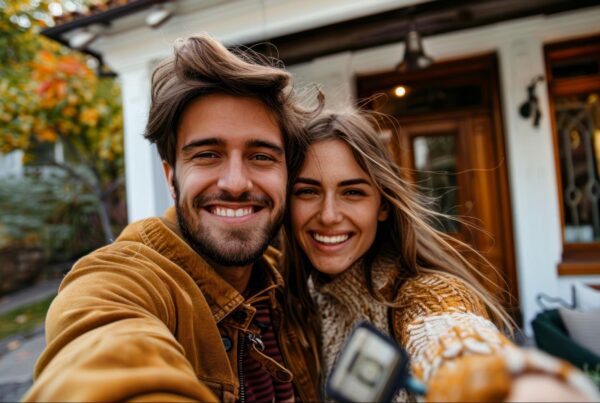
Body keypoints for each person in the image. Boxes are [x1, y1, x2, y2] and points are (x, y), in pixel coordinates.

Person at [23, 34, 320, 402]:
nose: (235, 183)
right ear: (171, 178)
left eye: (261, 156)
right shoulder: (124, 280)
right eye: (207, 154)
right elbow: (98, 346)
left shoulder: (288, 279)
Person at [282, 109, 600, 402]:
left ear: (383, 205)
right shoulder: (297, 298)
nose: (328, 215)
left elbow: (451, 337)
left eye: (353, 192)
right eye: (307, 191)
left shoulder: (425, 292)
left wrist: (503, 384)